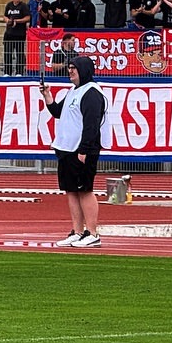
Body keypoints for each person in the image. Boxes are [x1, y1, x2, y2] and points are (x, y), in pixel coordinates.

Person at [40, 55, 111, 249]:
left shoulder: (92, 93)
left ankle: (93, 232)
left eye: (74, 68)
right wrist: (48, 96)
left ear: (84, 70)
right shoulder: (73, 91)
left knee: (84, 190)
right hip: (66, 149)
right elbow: (57, 112)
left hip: (82, 150)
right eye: (70, 67)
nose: (70, 71)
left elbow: (91, 125)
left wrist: (85, 149)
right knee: (71, 190)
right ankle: (78, 231)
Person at [1, 0, 31, 75]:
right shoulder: (9, 5)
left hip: (19, 34)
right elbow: (5, 16)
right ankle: (7, 72)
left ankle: (19, 72)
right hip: (9, 34)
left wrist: (17, 21)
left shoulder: (23, 6)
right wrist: (8, 21)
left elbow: (28, 17)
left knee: (20, 54)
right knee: (8, 54)